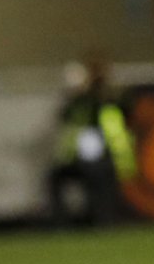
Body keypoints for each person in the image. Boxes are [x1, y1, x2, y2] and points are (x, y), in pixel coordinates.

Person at [48, 57, 137, 227]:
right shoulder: (81, 100)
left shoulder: (105, 99)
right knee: (64, 181)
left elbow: (122, 116)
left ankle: (103, 220)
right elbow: (66, 118)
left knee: (100, 184)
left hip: (103, 154)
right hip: (81, 156)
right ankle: (69, 222)